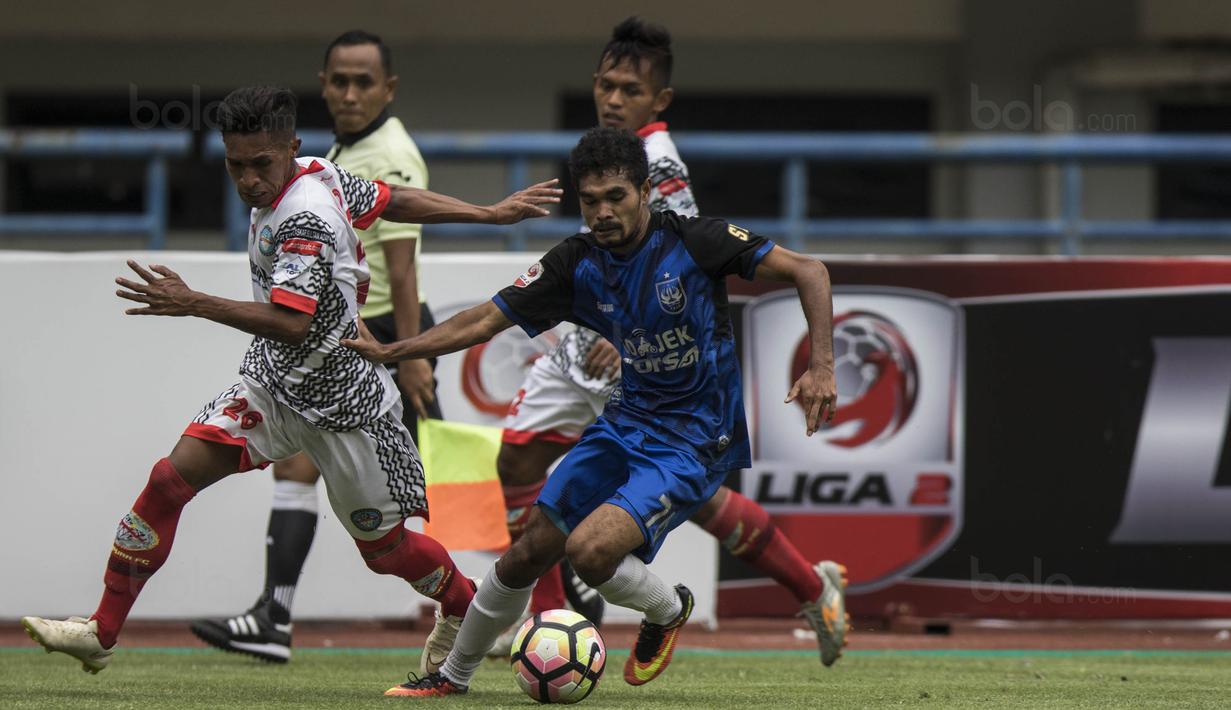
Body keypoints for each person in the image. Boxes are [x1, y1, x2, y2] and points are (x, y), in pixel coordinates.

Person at [19, 85, 561, 676]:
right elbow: (391, 199)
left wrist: (192, 300)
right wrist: (487, 212)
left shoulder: (306, 215)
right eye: (236, 165)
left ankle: (462, 605)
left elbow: (290, 322)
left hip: (345, 405)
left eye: (261, 164)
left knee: (385, 552)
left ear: (290, 148)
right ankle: (101, 631)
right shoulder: (323, 173)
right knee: (168, 480)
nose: (249, 179)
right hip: (274, 386)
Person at [345, 126, 839, 697]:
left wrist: (821, 366)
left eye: (616, 198)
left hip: (696, 438)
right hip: (626, 423)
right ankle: (451, 677)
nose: (602, 212)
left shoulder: (696, 242)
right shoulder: (575, 262)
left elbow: (811, 270)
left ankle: (668, 608)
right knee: (526, 551)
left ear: (646, 191)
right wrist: (395, 350)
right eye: (590, 200)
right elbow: (484, 319)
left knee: (590, 550)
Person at [492, 16, 849, 666]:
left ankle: (551, 619)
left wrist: (626, 338)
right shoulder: (609, 152)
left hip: (626, 351)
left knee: (537, 466)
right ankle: (808, 586)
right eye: (604, 85)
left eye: (629, 90)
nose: (612, 99)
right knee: (675, 490)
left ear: (658, 101)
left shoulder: (656, 164)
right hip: (599, 336)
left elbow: (674, 262)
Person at [190, 30, 448, 668]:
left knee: (406, 498)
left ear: (389, 89)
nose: (350, 93)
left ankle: (487, 608)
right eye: (339, 80)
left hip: (378, 332)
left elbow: (403, 262)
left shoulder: (390, 153)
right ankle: (275, 615)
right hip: (348, 333)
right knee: (302, 473)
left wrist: (410, 352)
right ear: (324, 82)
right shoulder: (339, 153)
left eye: (364, 81)